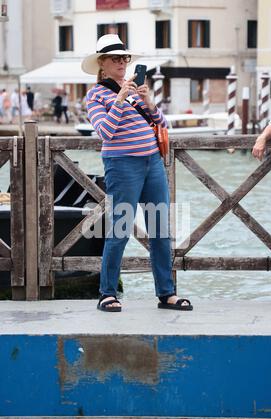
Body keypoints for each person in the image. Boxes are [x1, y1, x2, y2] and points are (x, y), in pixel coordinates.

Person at [82, 34, 193, 313]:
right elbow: (105, 132)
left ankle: (166, 293)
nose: (121, 62)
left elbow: (162, 123)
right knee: (120, 230)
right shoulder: (96, 94)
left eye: (124, 58)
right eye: (115, 58)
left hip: (152, 163)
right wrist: (120, 98)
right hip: (122, 165)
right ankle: (107, 293)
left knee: (159, 230)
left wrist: (148, 101)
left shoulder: (135, 90)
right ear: (102, 64)